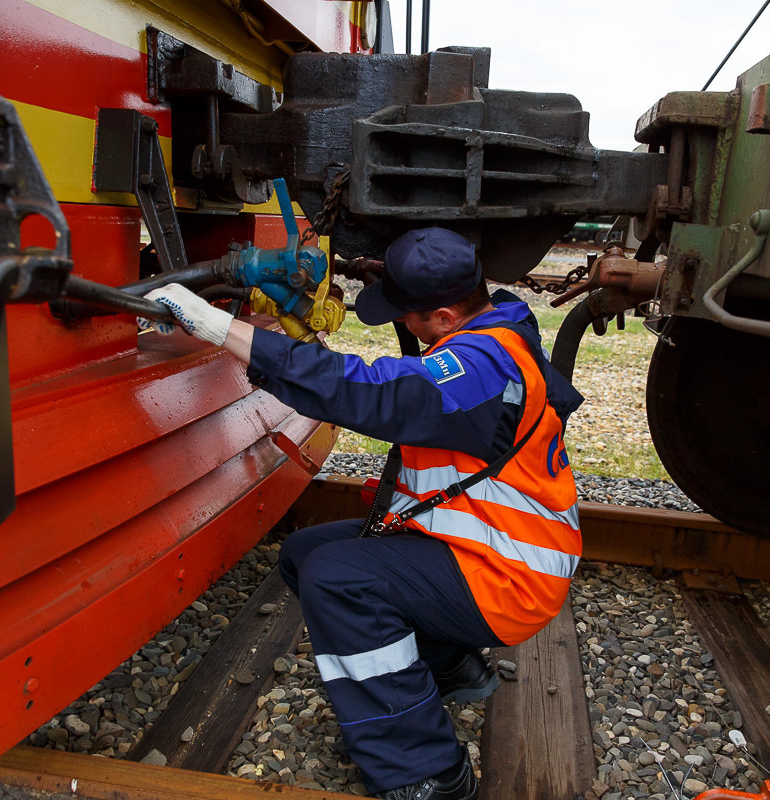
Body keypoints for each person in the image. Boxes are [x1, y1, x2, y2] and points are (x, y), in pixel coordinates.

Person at [141, 227, 583, 800]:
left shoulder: (482, 368)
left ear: (446, 316)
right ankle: (448, 667)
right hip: (479, 542)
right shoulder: (496, 322)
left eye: (409, 315)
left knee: (339, 581)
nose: (404, 325)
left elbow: (375, 393)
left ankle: (425, 771)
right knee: (307, 554)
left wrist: (222, 329)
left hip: (510, 574)